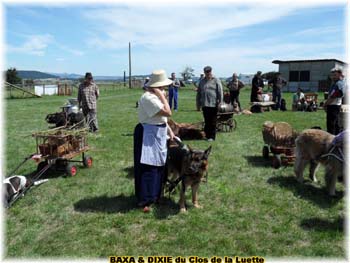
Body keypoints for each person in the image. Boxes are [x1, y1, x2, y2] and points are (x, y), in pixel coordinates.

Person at [133, 69, 175, 212]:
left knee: (158, 166)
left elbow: (163, 118)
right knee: (147, 166)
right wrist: (162, 96)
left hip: (158, 132)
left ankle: (156, 195)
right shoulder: (148, 98)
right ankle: (144, 199)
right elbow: (168, 112)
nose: (164, 89)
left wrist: (169, 130)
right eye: (162, 87)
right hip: (148, 133)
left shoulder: (156, 96)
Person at [196, 66, 223, 141]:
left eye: (209, 72)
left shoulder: (216, 80)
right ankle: (206, 135)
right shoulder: (202, 81)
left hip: (213, 104)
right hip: (204, 104)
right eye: (206, 72)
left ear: (211, 71)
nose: (208, 73)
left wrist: (220, 103)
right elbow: (198, 93)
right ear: (204, 72)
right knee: (207, 121)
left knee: (213, 121)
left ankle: (212, 136)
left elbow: (220, 92)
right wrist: (198, 105)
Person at [324, 68, 345, 135]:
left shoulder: (338, 84)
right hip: (335, 106)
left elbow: (333, 96)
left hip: (333, 106)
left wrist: (325, 104)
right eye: (332, 75)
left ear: (340, 75)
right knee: (335, 125)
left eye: (335, 75)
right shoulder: (337, 83)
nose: (333, 77)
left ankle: (331, 142)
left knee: (331, 126)